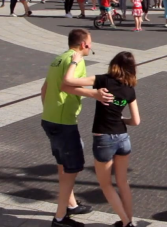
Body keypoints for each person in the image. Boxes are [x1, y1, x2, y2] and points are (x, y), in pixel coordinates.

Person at [40, 29, 113, 227]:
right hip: (64, 122)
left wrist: (49, 109)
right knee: (72, 168)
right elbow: (67, 86)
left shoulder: (58, 58)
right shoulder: (77, 60)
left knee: (64, 165)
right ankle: (61, 217)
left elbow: (44, 88)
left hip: (50, 118)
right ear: (83, 44)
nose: (92, 46)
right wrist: (95, 94)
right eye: (90, 42)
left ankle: (70, 205)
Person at [61, 51, 140, 227]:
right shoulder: (130, 89)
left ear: (113, 64)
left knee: (106, 185)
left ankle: (126, 223)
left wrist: (74, 62)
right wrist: (122, 120)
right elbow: (136, 120)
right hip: (123, 138)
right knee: (122, 182)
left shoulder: (104, 80)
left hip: (104, 139)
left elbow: (68, 81)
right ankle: (129, 221)